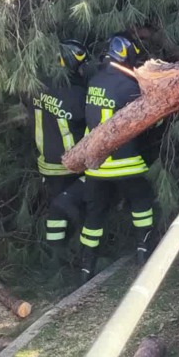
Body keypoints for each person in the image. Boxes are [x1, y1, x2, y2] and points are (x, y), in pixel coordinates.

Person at [79, 35, 156, 281]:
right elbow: (146, 124)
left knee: (94, 216)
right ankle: (144, 254)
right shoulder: (131, 86)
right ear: (128, 56)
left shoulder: (94, 81)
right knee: (142, 204)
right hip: (127, 163)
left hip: (95, 167)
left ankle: (85, 268)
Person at [32, 40, 89, 251]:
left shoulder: (38, 86)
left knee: (55, 211)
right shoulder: (76, 95)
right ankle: (80, 250)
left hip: (47, 163)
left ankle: (55, 253)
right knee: (77, 206)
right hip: (72, 165)